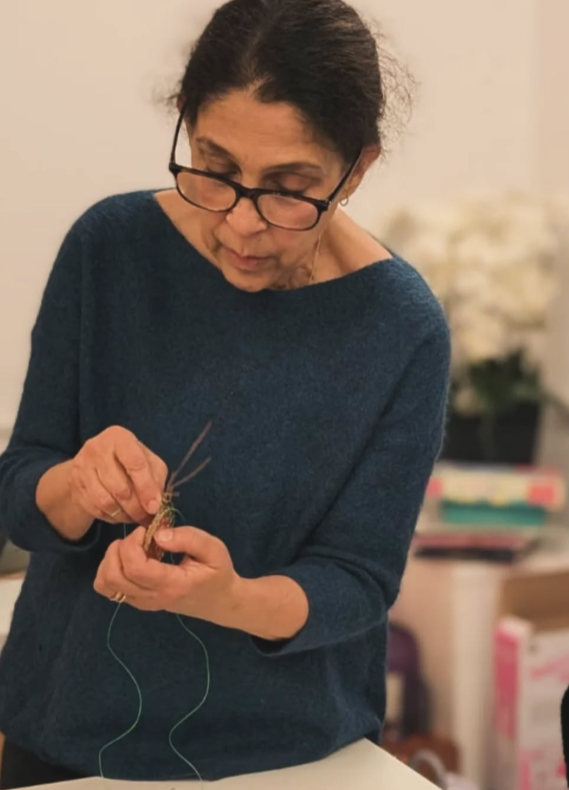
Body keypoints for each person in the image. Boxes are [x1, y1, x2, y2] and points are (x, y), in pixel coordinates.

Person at [0, 0, 450, 786]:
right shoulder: (109, 249)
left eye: (289, 187)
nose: (240, 224)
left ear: (358, 169)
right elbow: (17, 491)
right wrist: (75, 483)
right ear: (185, 123)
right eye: (215, 167)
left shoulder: (400, 330)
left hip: (291, 760)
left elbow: (358, 581)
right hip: (68, 739)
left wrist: (230, 597)